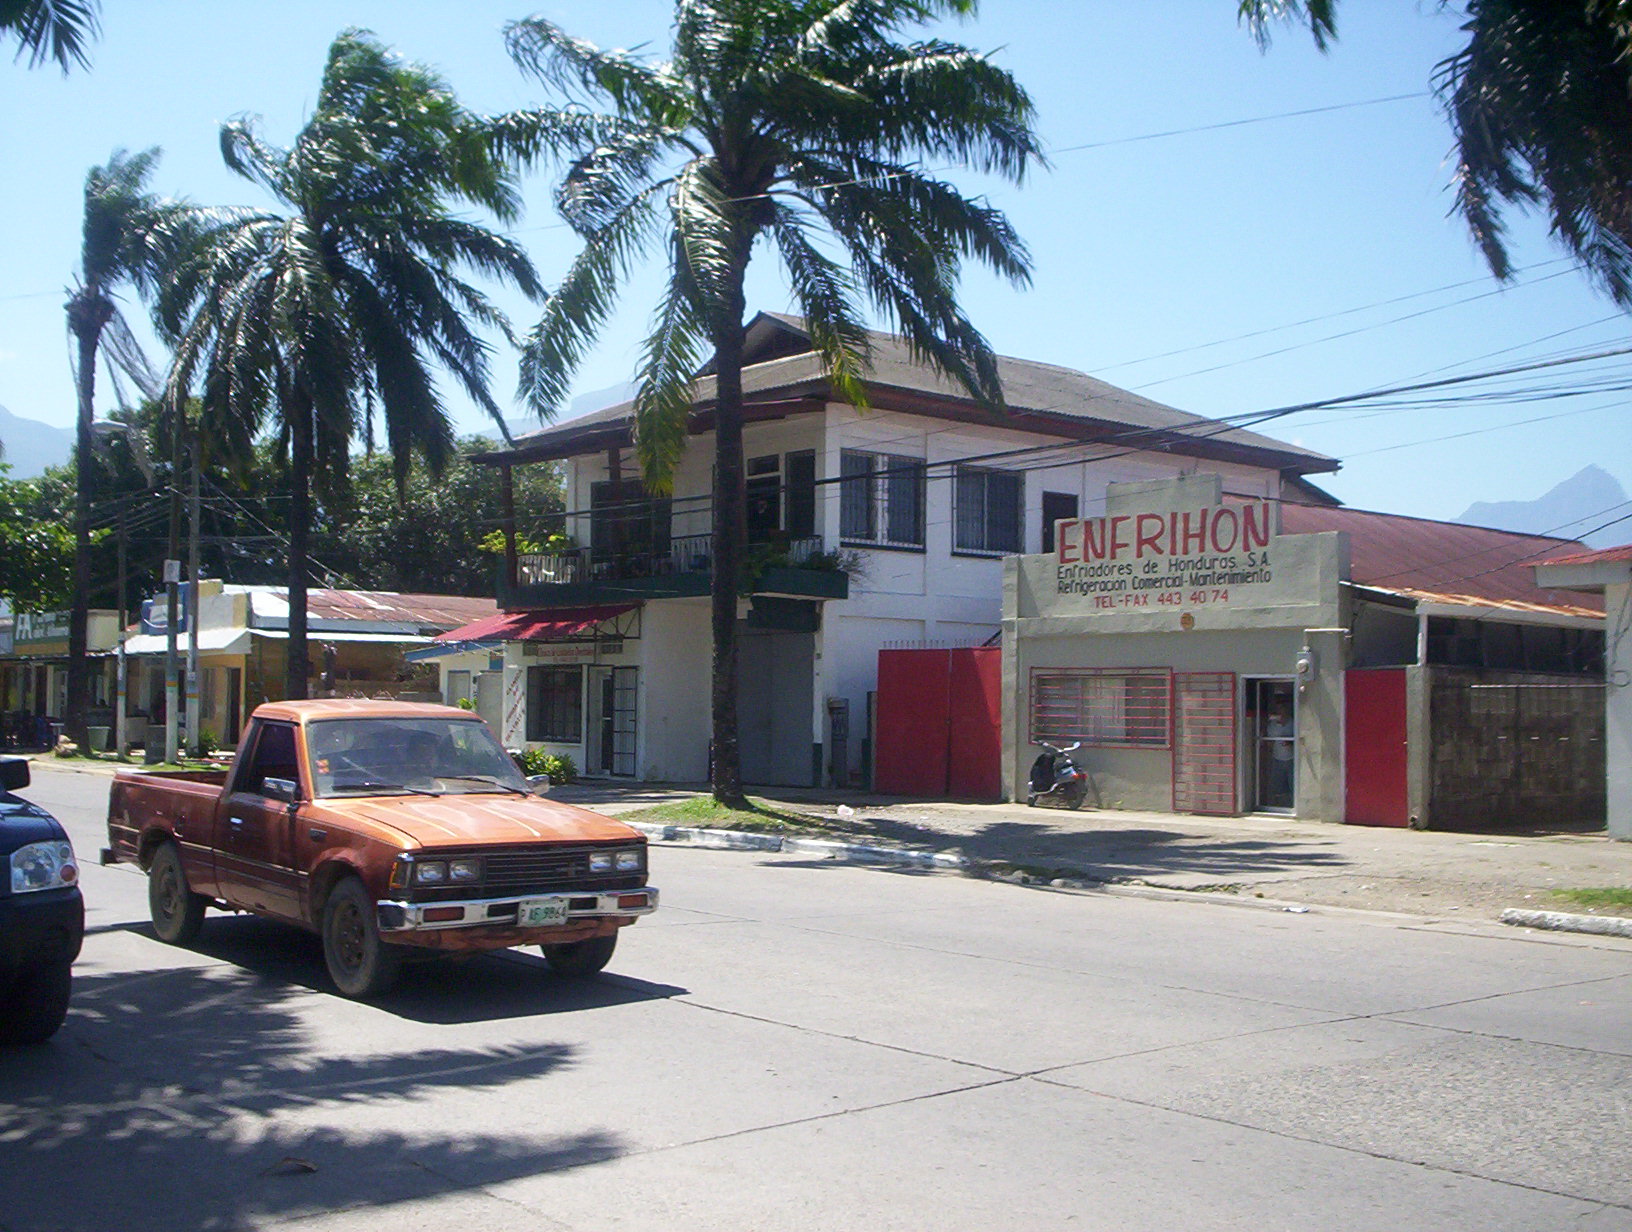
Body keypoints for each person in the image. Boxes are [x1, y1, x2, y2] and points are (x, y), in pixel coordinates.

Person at [1265, 703, 1294, 808]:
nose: (1281, 713)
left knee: (1293, 784)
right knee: (1277, 784)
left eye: (1283, 710)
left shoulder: (1292, 723)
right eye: (1279, 711)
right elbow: (1269, 741)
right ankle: (1279, 806)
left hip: (1291, 759)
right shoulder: (1272, 725)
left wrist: (1290, 743)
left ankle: (1292, 805)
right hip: (1277, 758)